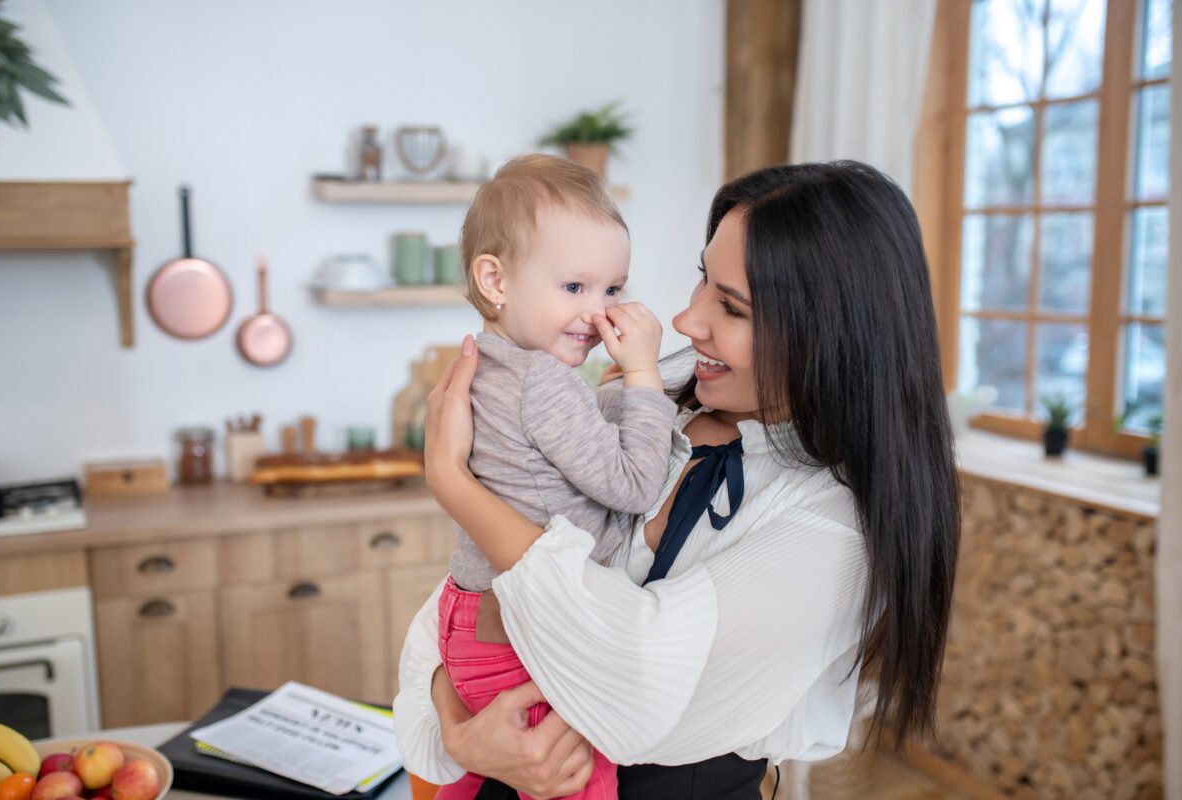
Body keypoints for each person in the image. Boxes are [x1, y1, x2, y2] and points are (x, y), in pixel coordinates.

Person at [394, 161, 961, 800]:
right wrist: (460, 733)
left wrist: (454, 486)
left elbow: (632, 692)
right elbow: (444, 627)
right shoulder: (645, 401)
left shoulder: (831, 525)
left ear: (826, 336)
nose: (687, 321)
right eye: (703, 279)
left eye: (732, 306)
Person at [430, 154, 679, 800]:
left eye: (613, 290)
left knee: (479, 778)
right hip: (525, 634)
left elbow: (570, 451)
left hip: (470, 621)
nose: (598, 315)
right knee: (581, 782)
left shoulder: (487, 363)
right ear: (496, 280)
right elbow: (632, 484)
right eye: (575, 288)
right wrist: (645, 376)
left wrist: (617, 392)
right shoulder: (544, 379)